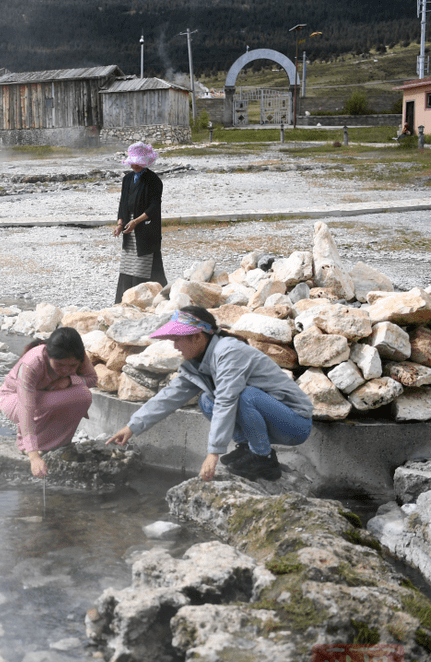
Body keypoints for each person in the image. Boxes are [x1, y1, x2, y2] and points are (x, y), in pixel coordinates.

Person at [105, 306, 313, 482]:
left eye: (178, 339)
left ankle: (263, 459)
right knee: (206, 400)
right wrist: (131, 427)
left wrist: (213, 454)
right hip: (271, 419)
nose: (175, 346)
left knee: (244, 395)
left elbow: (227, 400)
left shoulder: (228, 352)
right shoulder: (197, 364)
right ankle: (247, 449)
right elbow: (168, 397)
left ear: (197, 337)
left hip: (294, 423)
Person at [0, 327, 97, 478]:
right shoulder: (32, 364)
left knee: (84, 395)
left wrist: (70, 380)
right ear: (49, 356)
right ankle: (25, 445)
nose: (66, 370)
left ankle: (59, 444)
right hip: (14, 399)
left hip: (46, 396)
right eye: (60, 365)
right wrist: (34, 457)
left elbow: (92, 379)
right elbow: (27, 409)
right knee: (42, 404)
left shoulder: (79, 355)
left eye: (72, 366)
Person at [113, 142, 166, 304]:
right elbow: (123, 203)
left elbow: (154, 206)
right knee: (128, 264)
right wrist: (120, 223)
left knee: (144, 263)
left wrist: (136, 221)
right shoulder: (127, 179)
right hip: (130, 228)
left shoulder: (153, 180)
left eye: (138, 162)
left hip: (146, 227)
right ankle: (125, 300)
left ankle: (147, 299)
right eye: (133, 162)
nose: (134, 165)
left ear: (145, 162)